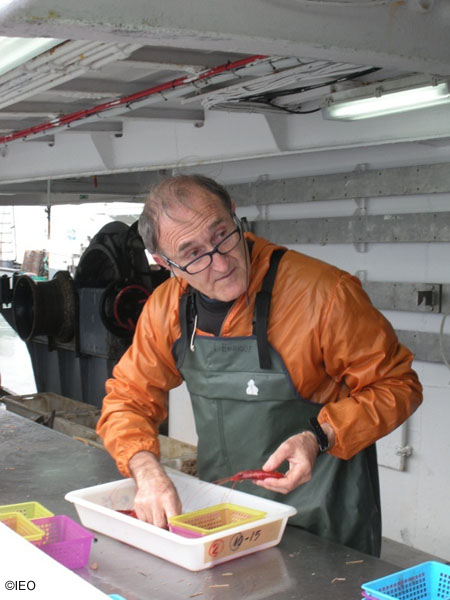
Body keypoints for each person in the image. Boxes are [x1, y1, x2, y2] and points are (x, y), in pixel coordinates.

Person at [96, 174, 422, 556]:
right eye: (193, 254)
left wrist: (320, 435)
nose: (219, 264)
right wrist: (148, 472)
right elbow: (127, 399)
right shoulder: (166, 309)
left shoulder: (324, 294)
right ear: (163, 262)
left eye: (222, 236)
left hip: (322, 524)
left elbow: (398, 385)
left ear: (234, 215)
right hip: (225, 514)